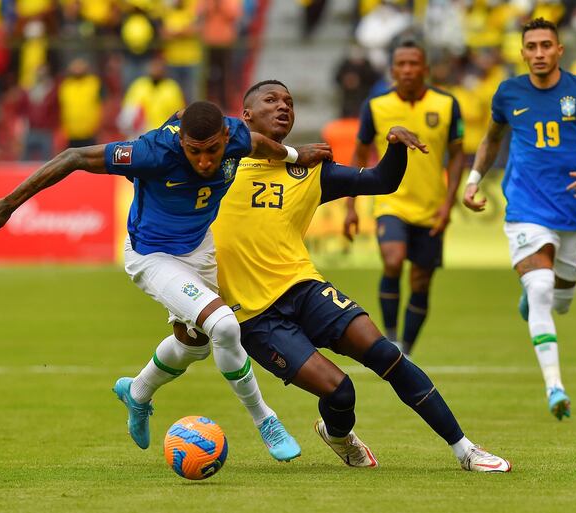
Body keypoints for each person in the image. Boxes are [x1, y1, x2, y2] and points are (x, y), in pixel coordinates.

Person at [0, 100, 333, 459]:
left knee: (195, 345)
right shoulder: (151, 153)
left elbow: (261, 144)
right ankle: (266, 420)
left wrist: (295, 155)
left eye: (213, 151)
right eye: (194, 151)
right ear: (181, 141)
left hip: (199, 249)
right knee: (223, 326)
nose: (205, 161)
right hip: (152, 256)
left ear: (225, 136)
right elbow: (73, 157)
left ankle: (137, 392)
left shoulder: (237, 135)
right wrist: (9, 203)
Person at [211, 79, 511, 472]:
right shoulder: (217, 165)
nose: (284, 106)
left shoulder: (310, 170)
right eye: (271, 100)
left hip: (303, 287)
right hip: (254, 316)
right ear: (246, 115)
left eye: (290, 101)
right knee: (340, 392)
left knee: (388, 355)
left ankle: (466, 450)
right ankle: (338, 435)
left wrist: (395, 147)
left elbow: (381, 180)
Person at [462, 18, 576, 420]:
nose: (539, 53)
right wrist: (473, 180)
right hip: (525, 208)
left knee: (561, 301)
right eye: (531, 46)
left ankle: (536, 296)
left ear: (559, 50)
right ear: (522, 52)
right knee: (540, 288)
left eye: (546, 46)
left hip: (571, 210)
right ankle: (555, 386)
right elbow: (491, 140)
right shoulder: (508, 93)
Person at [343, 39, 465, 356]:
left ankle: (406, 350)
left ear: (425, 69)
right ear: (393, 70)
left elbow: (457, 155)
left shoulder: (447, 104)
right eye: (402, 64)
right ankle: (391, 338)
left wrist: (448, 203)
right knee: (393, 260)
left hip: (431, 207)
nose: (408, 70)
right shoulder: (376, 106)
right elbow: (359, 154)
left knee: (421, 281)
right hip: (391, 202)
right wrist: (350, 205)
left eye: (414, 64)